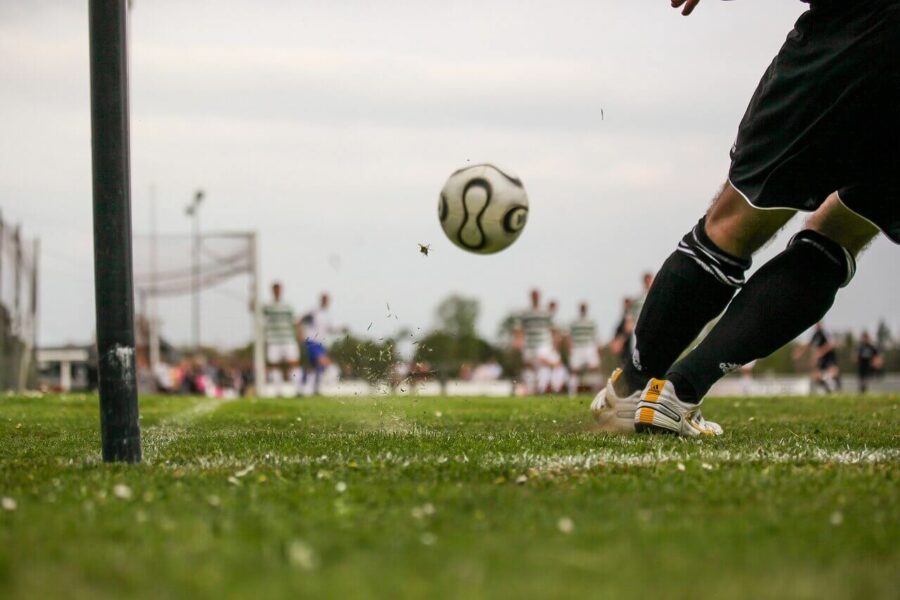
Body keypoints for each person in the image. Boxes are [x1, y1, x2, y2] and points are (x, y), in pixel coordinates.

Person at [593, 0, 898, 435]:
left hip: (854, 28)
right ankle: (679, 393)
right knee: (841, 235)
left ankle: (632, 391)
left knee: (732, 225)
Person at [512, 289, 556, 394]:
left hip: (543, 343)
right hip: (529, 344)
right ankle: (530, 390)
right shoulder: (525, 313)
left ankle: (541, 388)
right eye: (533, 296)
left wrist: (554, 343)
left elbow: (552, 327)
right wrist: (518, 340)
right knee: (529, 365)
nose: (535, 298)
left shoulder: (545, 312)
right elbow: (519, 328)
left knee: (543, 363)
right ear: (531, 297)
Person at [262, 282, 301, 396]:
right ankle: (278, 391)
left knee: (294, 363)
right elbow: (256, 312)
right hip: (273, 340)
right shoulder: (268, 306)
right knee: (275, 365)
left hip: (288, 339)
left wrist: (299, 334)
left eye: (279, 289)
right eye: (275, 290)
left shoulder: (288, 306)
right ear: (272, 291)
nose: (277, 292)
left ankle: (297, 389)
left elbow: (295, 321)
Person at [299, 292, 338, 395]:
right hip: (312, 341)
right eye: (324, 299)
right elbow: (300, 320)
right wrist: (300, 333)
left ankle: (310, 388)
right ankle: (313, 387)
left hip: (321, 343)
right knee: (323, 362)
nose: (325, 301)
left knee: (313, 366)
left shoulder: (327, 314)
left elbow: (329, 329)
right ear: (321, 300)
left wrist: (340, 330)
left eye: (327, 299)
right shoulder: (314, 311)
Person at [794, 322, 842, 394]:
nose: (817, 326)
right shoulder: (815, 334)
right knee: (816, 377)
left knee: (834, 372)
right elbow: (808, 345)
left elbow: (831, 344)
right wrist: (799, 353)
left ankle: (838, 389)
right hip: (822, 359)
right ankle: (828, 391)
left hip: (829, 357)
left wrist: (820, 352)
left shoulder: (825, 332)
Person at [567, 302, 601, 396]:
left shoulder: (591, 322)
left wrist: (597, 348)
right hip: (577, 347)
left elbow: (595, 336)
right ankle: (572, 394)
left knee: (594, 368)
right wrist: (570, 348)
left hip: (589, 347)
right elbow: (570, 336)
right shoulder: (574, 322)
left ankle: (596, 392)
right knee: (574, 370)